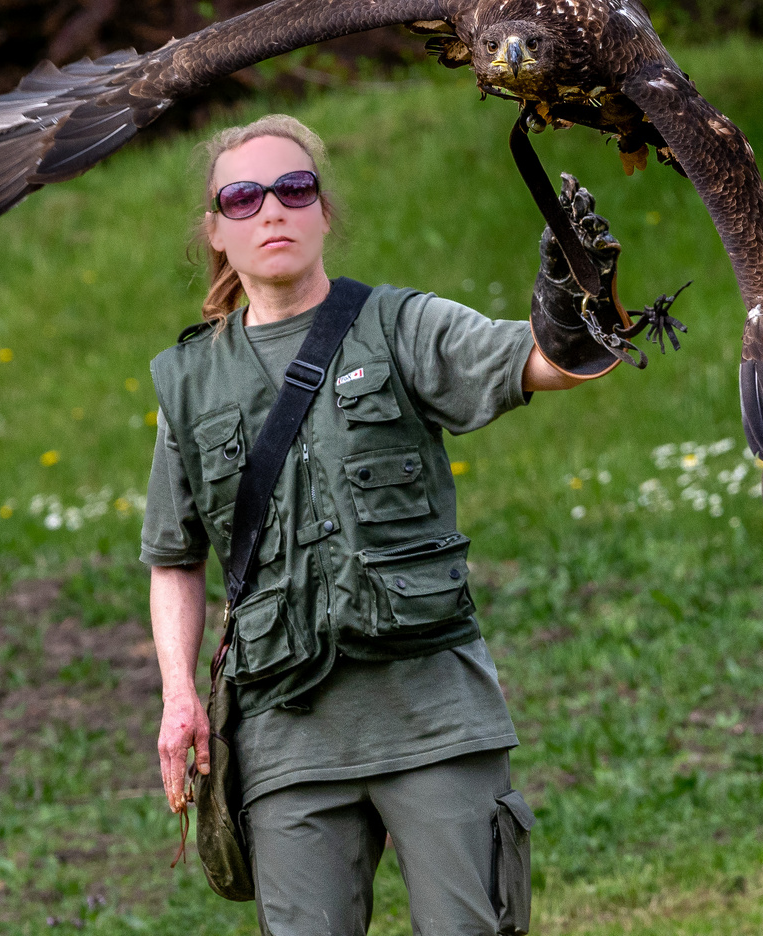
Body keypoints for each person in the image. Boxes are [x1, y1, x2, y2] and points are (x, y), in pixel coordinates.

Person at [140, 114, 622, 935]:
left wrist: (580, 305)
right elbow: (174, 557)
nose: (273, 211)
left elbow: (545, 363)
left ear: (324, 211)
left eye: (294, 188)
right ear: (215, 231)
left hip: (435, 718)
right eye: (243, 197)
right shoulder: (189, 381)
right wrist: (179, 695)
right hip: (287, 736)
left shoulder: (400, 326)